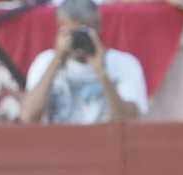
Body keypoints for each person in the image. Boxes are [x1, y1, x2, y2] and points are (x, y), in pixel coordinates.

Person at [21, 0, 149, 125]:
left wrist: (102, 72)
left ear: (99, 27)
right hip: (58, 144)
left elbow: (129, 121)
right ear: (60, 30)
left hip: (106, 144)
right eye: (72, 33)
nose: (78, 40)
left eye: (83, 33)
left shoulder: (124, 64)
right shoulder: (45, 61)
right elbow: (29, 117)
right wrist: (57, 60)